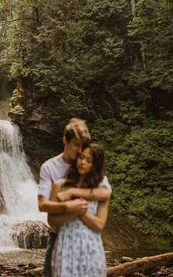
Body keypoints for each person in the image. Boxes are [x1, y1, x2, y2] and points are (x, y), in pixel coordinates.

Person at [38, 118, 111, 277]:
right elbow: (43, 205)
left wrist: (72, 194)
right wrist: (70, 208)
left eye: (87, 157)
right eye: (77, 146)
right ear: (65, 140)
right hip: (61, 237)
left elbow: (105, 194)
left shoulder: (98, 179)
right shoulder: (51, 170)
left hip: (90, 243)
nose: (81, 155)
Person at [48, 143, 109, 277]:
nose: (82, 162)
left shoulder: (101, 187)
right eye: (81, 157)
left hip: (91, 246)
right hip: (66, 245)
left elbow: (99, 225)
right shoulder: (60, 185)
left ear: (95, 165)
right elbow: (51, 220)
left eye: (89, 160)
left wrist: (82, 212)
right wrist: (72, 211)